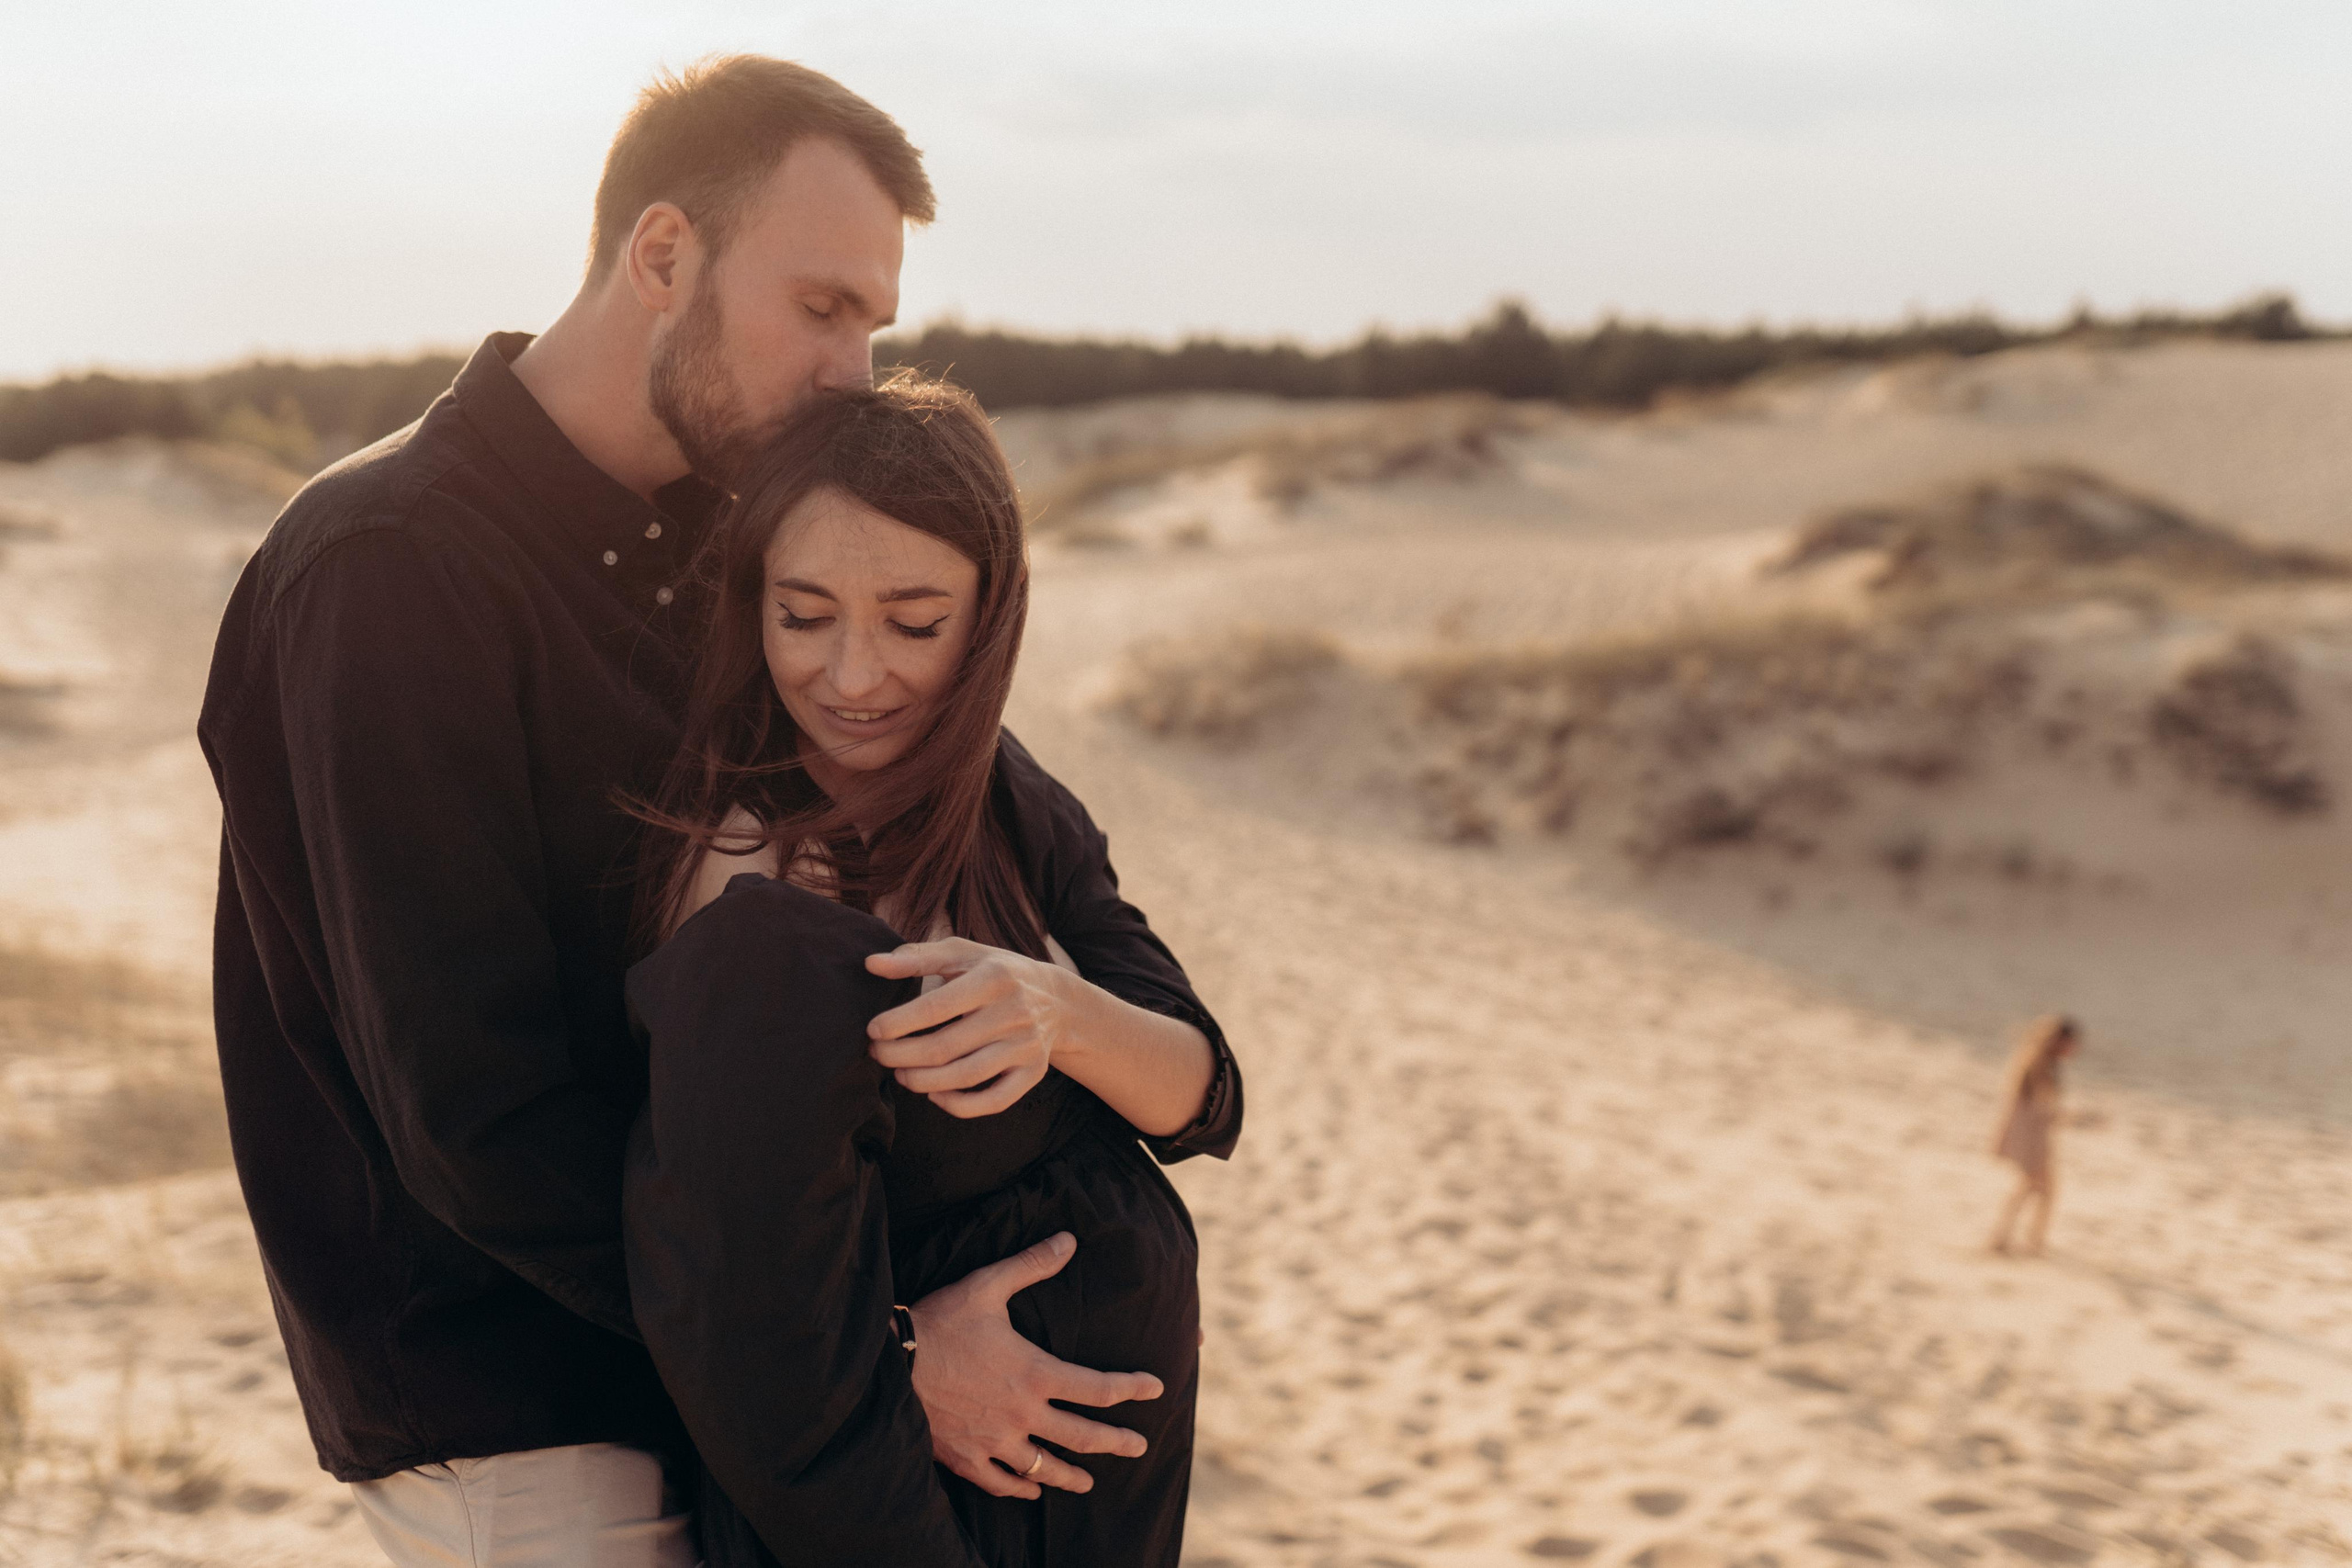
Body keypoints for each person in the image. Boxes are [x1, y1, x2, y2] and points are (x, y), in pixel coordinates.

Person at [199, 56, 1182, 1567]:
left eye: (875, 324)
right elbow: (480, 1120)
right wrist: (882, 1352)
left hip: (746, 1404)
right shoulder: (389, 565)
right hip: (531, 1423)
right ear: (663, 257)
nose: (854, 373)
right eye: (823, 307)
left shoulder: (741, 554)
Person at [622, 378, 1238, 1566]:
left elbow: (1202, 1095)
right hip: (895, 1509)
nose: (853, 676)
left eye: (913, 623)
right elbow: (736, 1290)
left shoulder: (1007, 798)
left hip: (1101, 1508)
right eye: (803, 616)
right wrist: (904, 1353)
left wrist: (1053, 1006)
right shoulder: (740, 876)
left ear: (989, 616)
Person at [1987, 1014, 2080, 1257]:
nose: (2073, 1049)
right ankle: (2019, 1240)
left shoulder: (2040, 1061)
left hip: (2031, 1134)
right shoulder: (2040, 1064)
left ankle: (2016, 1239)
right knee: (2038, 1188)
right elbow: (2042, 1107)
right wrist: (2077, 1119)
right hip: (2030, 1136)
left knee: (2034, 1188)